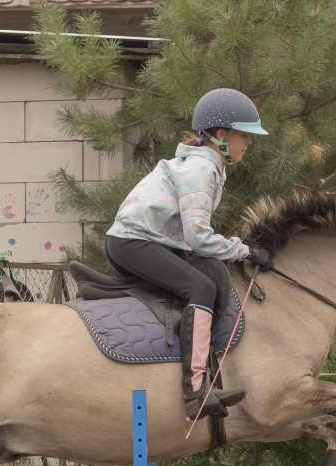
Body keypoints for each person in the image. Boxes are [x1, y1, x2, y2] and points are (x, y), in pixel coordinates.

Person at [104, 88, 274, 423]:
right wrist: (245, 250)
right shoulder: (201, 169)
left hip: (144, 241)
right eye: (244, 136)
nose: (249, 143)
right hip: (132, 243)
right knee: (201, 288)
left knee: (212, 272)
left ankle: (206, 369)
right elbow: (197, 236)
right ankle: (195, 391)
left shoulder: (204, 165)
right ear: (222, 136)